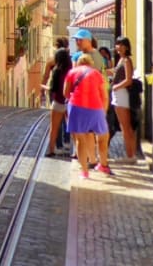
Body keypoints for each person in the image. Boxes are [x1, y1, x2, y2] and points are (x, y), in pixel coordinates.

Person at [63, 52, 112, 179]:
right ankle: (103, 164)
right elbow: (104, 95)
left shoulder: (71, 73)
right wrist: (104, 111)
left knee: (80, 140)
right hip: (95, 107)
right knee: (103, 137)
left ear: (78, 63)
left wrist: (75, 98)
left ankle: (84, 171)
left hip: (76, 107)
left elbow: (66, 93)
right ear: (91, 63)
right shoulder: (96, 73)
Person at [70, 29, 109, 167]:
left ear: (88, 40)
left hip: (94, 99)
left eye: (80, 40)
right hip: (86, 99)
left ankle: (96, 160)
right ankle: (92, 159)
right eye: (76, 40)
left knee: (93, 132)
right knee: (87, 132)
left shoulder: (95, 57)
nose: (77, 42)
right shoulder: (80, 55)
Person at [110, 37, 140, 160]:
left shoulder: (127, 60)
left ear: (127, 47)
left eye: (121, 45)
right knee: (125, 126)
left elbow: (128, 80)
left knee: (125, 127)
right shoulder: (121, 60)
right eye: (117, 44)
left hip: (121, 95)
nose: (119, 47)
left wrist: (116, 87)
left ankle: (130, 155)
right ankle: (130, 154)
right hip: (118, 94)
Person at [45, 47, 72, 157]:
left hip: (58, 102)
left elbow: (53, 89)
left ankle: (51, 150)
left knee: (54, 128)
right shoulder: (72, 70)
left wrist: (44, 87)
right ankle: (76, 152)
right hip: (70, 102)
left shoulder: (56, 71)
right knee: (73, 128)